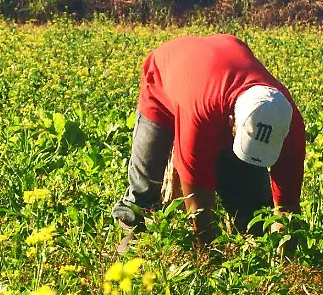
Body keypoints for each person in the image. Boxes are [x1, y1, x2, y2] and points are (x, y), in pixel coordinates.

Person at [112, 33, 305, 243]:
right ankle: (129, 247)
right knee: (146, 188)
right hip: (164, 80)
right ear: (232, 122)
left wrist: (283, 253)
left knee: (255, 212)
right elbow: (197, 203)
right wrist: (207, 253)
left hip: (214, 72)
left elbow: (287, 208)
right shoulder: (200, 115)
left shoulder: (287, 120)